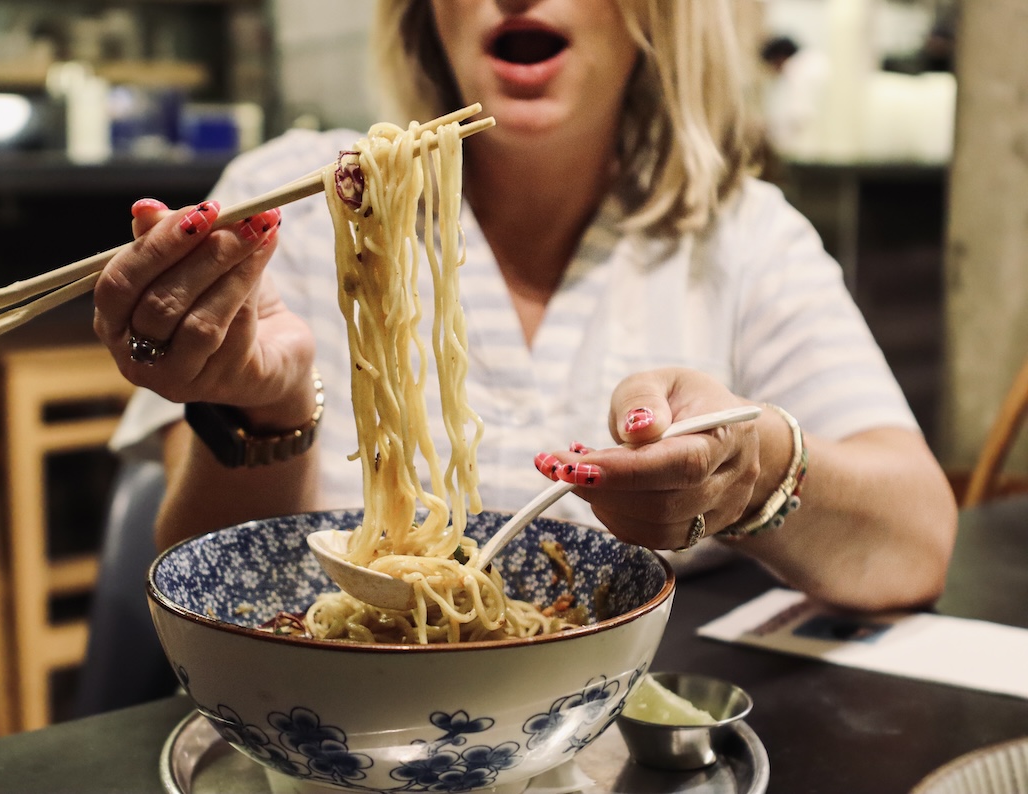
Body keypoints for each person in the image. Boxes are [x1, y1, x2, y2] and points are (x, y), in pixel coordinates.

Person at [94, 0, 957, 613]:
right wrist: (265, 411)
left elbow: (916, 545)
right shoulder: (300, 208)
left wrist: (754, 470)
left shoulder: (738, 234)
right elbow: (201, 589)